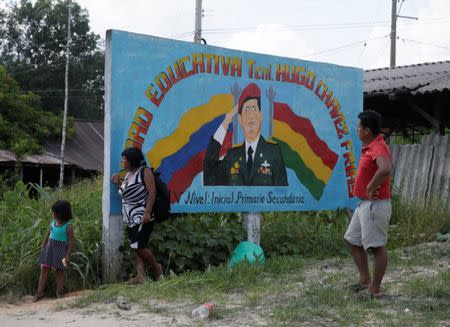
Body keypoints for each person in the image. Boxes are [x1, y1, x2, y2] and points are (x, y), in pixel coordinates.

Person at [344, 110, 392, 299]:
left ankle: (375, 289)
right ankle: (364, 280)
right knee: (352, 240)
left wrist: (371, 186)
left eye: (359, 127)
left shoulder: (378, 147)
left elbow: (386, 168)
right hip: (364, 204)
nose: (357, 130)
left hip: (375, 205)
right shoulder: (371, 146)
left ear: (368, 130)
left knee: (377, 246)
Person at [203, 83, 288, 186]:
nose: (251, 115)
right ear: (240, 119)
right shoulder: (232, 156)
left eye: (254, 108)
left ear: (261, 116)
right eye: (247, 109)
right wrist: (225, 123)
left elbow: (283, 196)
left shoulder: (273, 153)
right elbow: (210, 177)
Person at [111, 147, 163, 284]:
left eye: (124, 159)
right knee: (137, 247)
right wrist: (117, 184)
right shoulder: (128, 175)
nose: (122, 162)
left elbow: (152, 192)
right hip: (129, 218)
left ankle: (157, 269)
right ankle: (140, 276)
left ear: (131, 160)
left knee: (138, 246)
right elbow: (124, 194)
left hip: (141, 216)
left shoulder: (144, 172)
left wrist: (147, 212)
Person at [33, 200, 75, 302]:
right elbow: (47, 235)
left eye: (54, 212)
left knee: (59, 271)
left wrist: (68, 255)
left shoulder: (68, 227)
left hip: (60, 252)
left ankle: (59, 292)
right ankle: (40, 292)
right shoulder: (52, 223)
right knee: (44, 269)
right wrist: (43, 247)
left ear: (61, 214)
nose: (52, 214)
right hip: (49, 249)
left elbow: (71, 242)